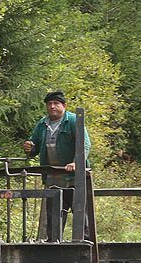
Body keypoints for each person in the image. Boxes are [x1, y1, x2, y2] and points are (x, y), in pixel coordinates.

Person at [23, 91, 91, 239]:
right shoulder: (42, 124)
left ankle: (85, 244)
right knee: (54, 213)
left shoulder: (73, 120)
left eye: (56, 104)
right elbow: (34, 147)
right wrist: (29, 147)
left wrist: (76, 162)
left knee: (80, 211)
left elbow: (85, 144)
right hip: (53, 177)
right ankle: (54, 244)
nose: (52, 107)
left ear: (64, 106)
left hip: (74, 177)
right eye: (49, 104)